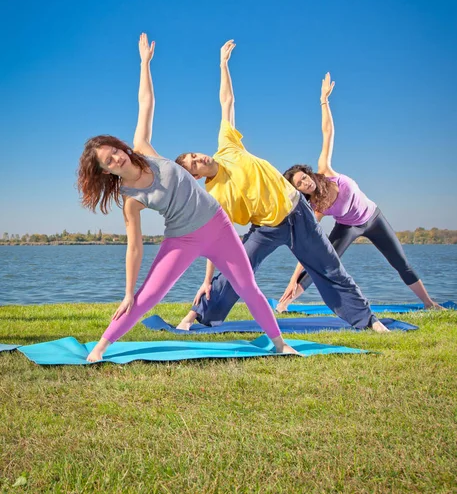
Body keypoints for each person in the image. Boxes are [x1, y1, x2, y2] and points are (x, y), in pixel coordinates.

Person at [77, 34, 298, 362]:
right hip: (182, 238)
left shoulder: (143, 149)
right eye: (108, 161)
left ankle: (280, 344)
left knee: (248, 287)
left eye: (115, 151)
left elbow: (146, 103)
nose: (116, 159)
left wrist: (144, 64)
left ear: (122, 147)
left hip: (218, 226)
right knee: (146, 297)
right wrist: (126, 292)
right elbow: (134, 247)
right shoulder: (131, 200)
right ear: (106, 171)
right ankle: (101, 347)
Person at [175, 42, 388, 333]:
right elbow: (216, 241)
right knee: (237, 269)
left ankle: (367, 320)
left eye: (194, 155)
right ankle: (197, 316)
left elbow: (227, 102)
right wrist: (205, 279)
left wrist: (223, 66)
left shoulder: (227, 146)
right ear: (195, 176)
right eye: (193, 164)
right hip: (266, 228)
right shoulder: (214, 196)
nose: (198, 158)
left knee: (330, 269)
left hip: (299, 214)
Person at [276, 73, 443, 313]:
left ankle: (429, 304)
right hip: (348, 226)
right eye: (300, 184)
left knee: (400, 262)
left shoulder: (326, 170)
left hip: (373, 218)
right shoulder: (316, 208)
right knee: (322, 262)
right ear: (300, 191)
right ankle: (284, 305)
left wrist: (324, 101)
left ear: (309, 173)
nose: (305, 183)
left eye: (304, 177)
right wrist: (293, 280)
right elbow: (309, 245)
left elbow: (327, 132)